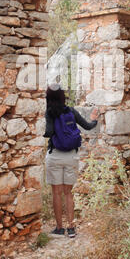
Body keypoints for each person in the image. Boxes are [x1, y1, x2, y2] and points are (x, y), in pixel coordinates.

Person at [43, 83, 99, 238]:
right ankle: (72, 227)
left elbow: (48, 132)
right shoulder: (71, 111)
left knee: (56, 193)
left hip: (55, 156)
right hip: (71, 157)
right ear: (62, 96)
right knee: (68, 193)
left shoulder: (49, 113)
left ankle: (59, 228)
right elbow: (87, 126)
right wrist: (94, 119)